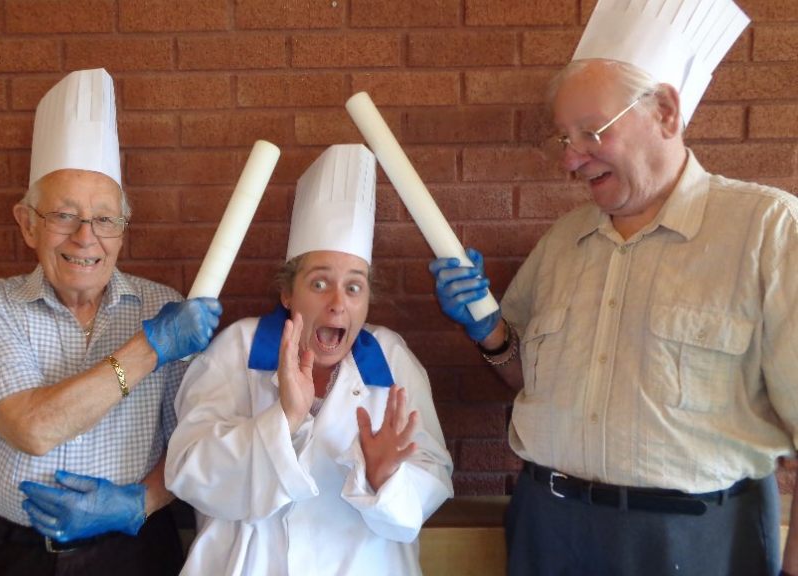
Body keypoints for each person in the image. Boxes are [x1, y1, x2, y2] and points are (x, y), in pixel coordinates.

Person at [429, 1, 798, 575]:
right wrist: (490, 331)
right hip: (549, 531)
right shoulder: (563, 242)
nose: (571, 159)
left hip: (697, 541)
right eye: (562, 140)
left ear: (666, 113)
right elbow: (524, 376)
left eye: (591, 132)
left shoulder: (768, 232)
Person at [0, 68, 222, 576]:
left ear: (122, 229)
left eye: (104, 219)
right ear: (27, 224)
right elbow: (32, 429)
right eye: (63, 216)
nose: (85, 237)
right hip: (9, 557)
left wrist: (140, 502)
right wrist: (152, 346)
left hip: (134, 553)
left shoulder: (164, 303)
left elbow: (196, 442)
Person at [165, 144, 454, 575]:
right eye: (320, 283)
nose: (338, 304)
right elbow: (189, 471)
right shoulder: (238, 348)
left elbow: (431, 476)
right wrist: (284, 420)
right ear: (287, 293)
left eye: (354, 287)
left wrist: (384, 479)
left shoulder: (392, 357)